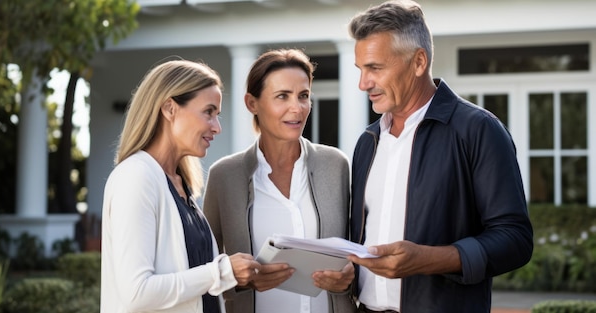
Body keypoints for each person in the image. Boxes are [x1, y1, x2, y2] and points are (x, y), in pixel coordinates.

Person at [345, 1, 534, 312]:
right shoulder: (368, 141)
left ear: (419, 62)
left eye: (375, 68)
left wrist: (429, 260)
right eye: (361, 69)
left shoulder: (479, 130)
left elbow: (515, 240)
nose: (363, 83)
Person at [100, 59, 261, 313]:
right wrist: (222, 271)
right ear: (169, 108)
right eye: (208, 112)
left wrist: (240, 276)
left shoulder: (180, 185)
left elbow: (191, 280)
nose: (217, 127)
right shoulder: (136, 177)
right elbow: (137, 293)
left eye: (217, 115)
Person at [203, 48, 356, 313]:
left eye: (303, 96)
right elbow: (204, 268)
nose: (296, 108)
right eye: (282, 96)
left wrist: (349, 278)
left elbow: (358, 250)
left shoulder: (336, 165)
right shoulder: (224, 176)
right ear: (252, 103)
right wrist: (240, 280)